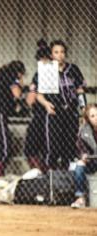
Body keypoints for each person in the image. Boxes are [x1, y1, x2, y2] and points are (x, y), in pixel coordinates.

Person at [36, 40, 87, 170]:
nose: (60, 55)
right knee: (53, 146)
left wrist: (83, 108)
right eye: (56, 52)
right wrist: (46, 104)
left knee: (69, 146)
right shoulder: (48, 70)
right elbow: (39, 94)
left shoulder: (73, 69)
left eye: (62, 52)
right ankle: (51, 178)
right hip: (54, 113)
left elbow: (80, 90)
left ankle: (67, 177)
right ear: (51, 54)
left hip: (71, 113)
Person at [24, 39, 52, 172]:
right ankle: (46, 178)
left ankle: (40, 176)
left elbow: (30, 99)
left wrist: (30, 93)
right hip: (55, 116)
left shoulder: (41, 74)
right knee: (47, 150)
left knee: (31, 149)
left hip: (41, 115)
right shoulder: (59, 73)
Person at [71, 104, 97, 209]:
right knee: (79, 164)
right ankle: (80, 198)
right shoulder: (84, 131)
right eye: (92, 116)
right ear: (88, 119)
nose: (96, 118)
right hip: (93, 161)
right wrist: (84, 155)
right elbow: (80, 148)